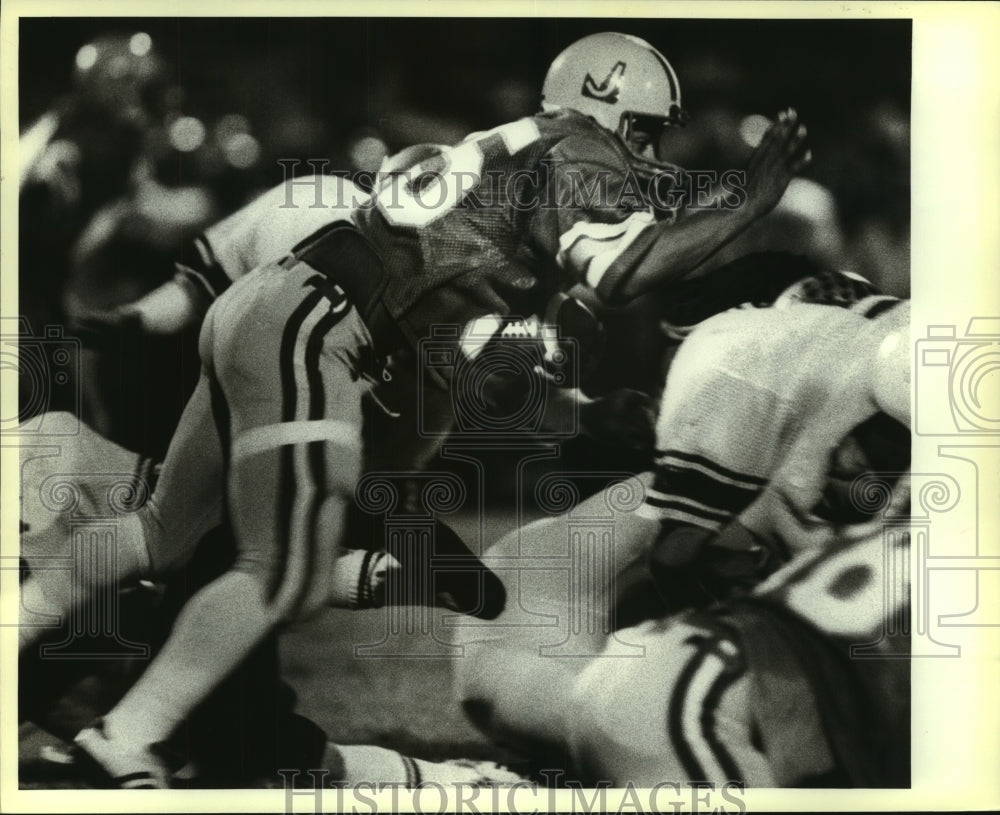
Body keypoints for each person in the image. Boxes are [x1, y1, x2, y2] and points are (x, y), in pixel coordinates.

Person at [55, 31, 809, 787]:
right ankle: (127, 735)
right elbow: (618, 270)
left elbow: (471, 363)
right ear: (603, 102)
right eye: (643, 129)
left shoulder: (496, 167)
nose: (647, 152)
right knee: (282, 568)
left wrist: (567, 392)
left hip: (269, 314)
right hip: (314, 327)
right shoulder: (576, 151)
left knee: (171, 534)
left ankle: (38, 643)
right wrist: (749, 197)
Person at [450, 290, 910, 787]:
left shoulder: (777, 416)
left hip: (575, 636)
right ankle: (457, 785)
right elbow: (682, 561)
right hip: (529, 641)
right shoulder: (749, 435)